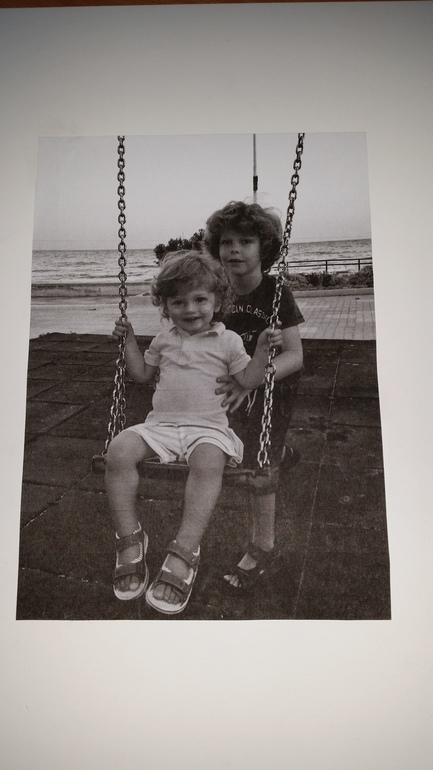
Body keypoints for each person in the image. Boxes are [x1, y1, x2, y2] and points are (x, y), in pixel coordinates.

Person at [105, 250, 282, 615]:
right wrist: (129, 342)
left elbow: (250, 379)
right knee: (117, 450)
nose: (190, 309)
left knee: (208, 462)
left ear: (217, 301)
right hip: (161, 426)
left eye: (200, 299)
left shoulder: (228, 341)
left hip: (208, 429)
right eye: (178, 302)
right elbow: (141, 375)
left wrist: (263, 351)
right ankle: (130, 538)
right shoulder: (163, 340)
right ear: (165, 306)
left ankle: (185, 549)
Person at [204, 201, 304, 592]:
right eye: (226, 241)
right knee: (231, 453)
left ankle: (263, 546)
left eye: (246, 241)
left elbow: (295, 356)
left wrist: (253, 380)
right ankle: (281, 453)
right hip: (232, 385)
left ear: (264, 248)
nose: (234, 249)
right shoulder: (214, 294)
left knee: (260, 464)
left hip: (273, 387)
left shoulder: (277, 293)